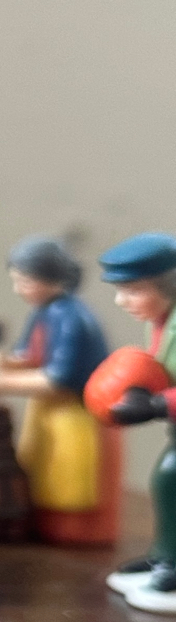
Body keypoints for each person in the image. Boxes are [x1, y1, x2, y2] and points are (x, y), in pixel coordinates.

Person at [0, 237, 118, 545]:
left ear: (50, 278)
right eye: (16, 281)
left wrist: (0, 382)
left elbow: (58, 379)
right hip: (45, 411)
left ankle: (69, 532)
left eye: (24, 281)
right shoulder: (43, 313)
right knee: (37, 473)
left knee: (66, 477)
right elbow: (30, 358)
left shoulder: (73, 319)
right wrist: (2, 362)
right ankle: (40, 524)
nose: (18, 289)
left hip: (75, 413)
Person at [96, 233, 176, 596]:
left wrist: (156, 405)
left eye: (133, 290)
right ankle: (165, 555)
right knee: (166, 482)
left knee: (169, 477)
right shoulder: (159, 320)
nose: (121, 300)